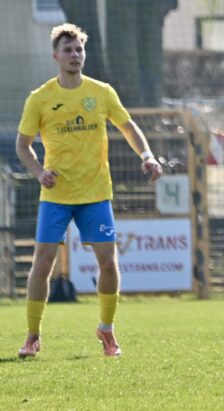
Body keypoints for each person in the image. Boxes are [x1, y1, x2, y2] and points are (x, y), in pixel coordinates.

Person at [15, 24, 163, 358]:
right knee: (42, 265)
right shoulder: (40, 99)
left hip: (96, 193)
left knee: (108, 265)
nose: (74, 55)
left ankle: (107, 331)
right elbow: (22, 146)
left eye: (79, 50)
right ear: (56, 56)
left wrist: (147, 156)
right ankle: (33, 335)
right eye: (67, 50)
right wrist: (40, 173)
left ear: (84, 54)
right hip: (56, 195)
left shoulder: (102, 92)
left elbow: (128, 126)